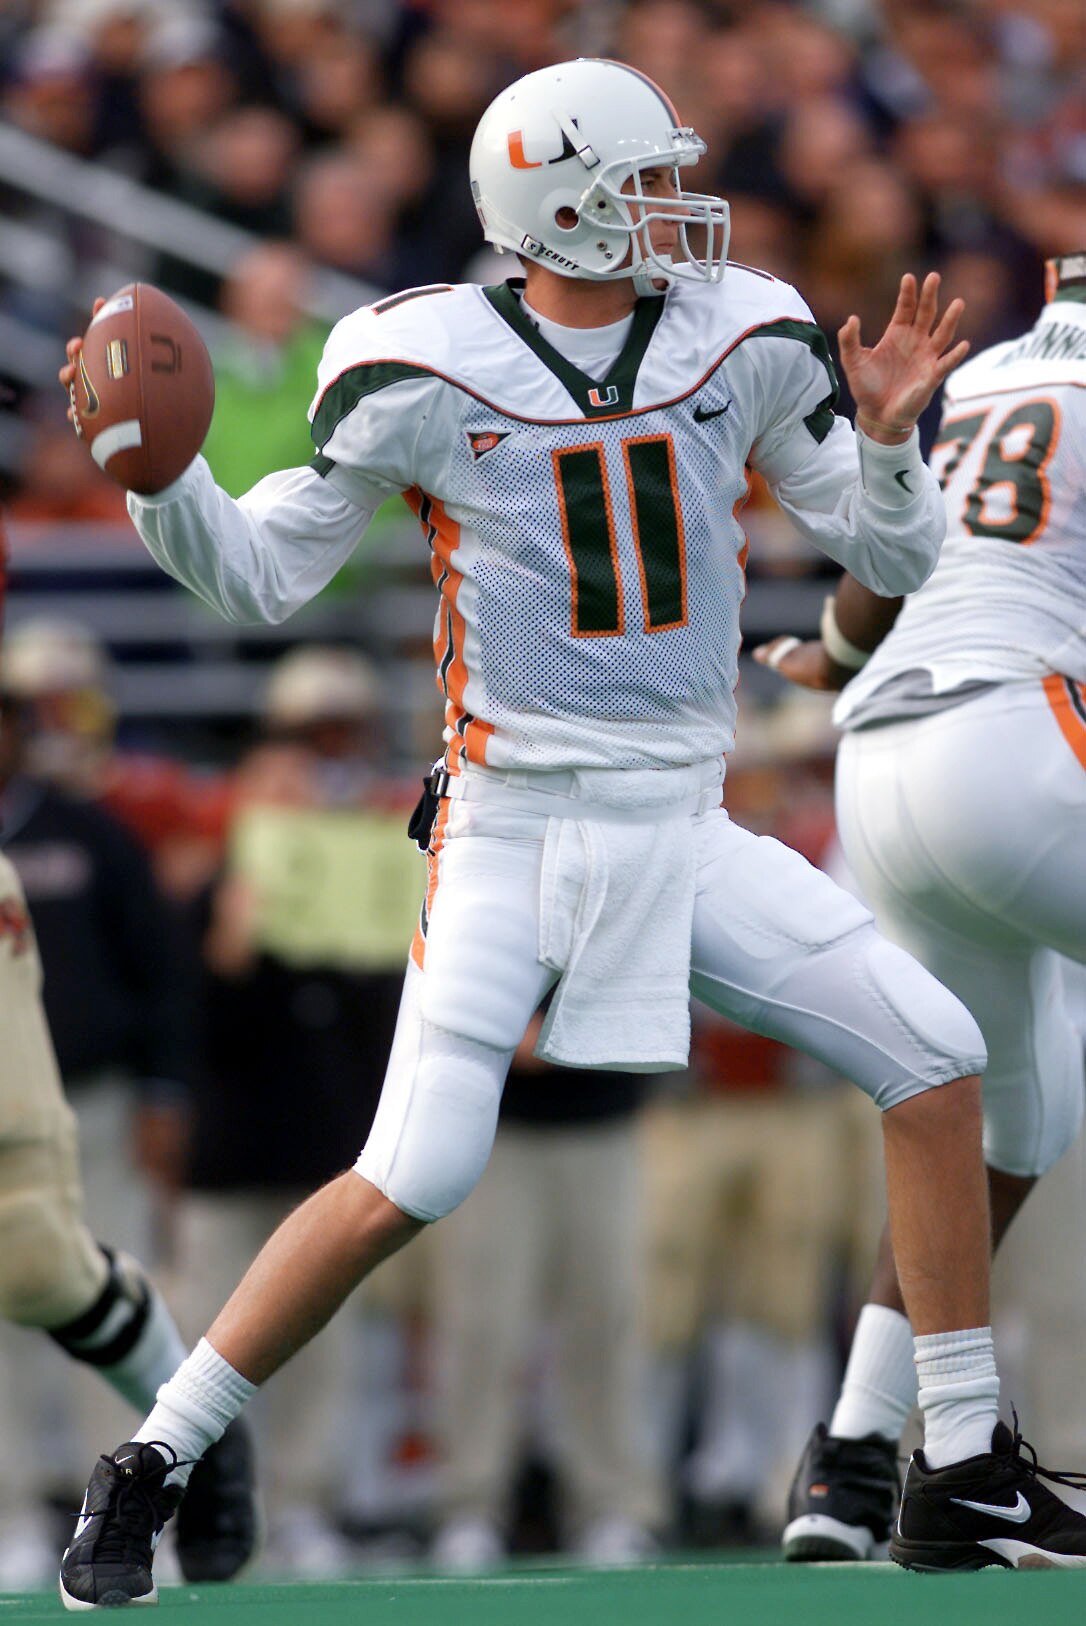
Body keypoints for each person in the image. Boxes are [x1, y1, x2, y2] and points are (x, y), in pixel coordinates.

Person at [55, 60, 1086, 1607]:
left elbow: (892, 554)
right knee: (415, 1167)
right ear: (566, 205)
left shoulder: (741, 332)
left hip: (684, 812)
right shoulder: (418, 359)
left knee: (934, 1054)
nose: (684, 207)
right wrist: (162, 484)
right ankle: (155, 1454)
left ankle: (950, 1463)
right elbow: (263, 579)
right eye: (648, 181)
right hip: (513, 821)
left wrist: (884, 443)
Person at [753, 252, 1086, 1563]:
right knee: (1006, 1110)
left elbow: (893, 558)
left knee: (1014, 1118)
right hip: (1014, 742)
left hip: (879, 756)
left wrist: (820, 652)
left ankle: (851, 1457)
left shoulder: (997, 373)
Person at [0, 520, 255, 1587]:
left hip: (72, 1061)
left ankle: (181, 1443)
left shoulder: (85, 824)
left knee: (31, 1253)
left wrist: (162, 1083)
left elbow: (158, 967)